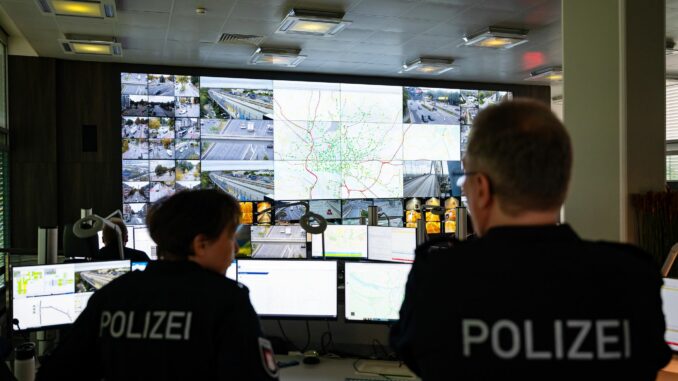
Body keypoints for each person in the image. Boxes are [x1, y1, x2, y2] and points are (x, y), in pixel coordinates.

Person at [390, 99, 672, 380]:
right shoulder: (632, 277)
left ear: (482, 188)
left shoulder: (439, 278)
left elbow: (415, 353)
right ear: (563, 184)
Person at [37, 189, 279, 380]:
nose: (235, 249)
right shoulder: (226, 302)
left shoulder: (113, 294)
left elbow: (55, 373)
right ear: (201, 244)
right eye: (230, 238)